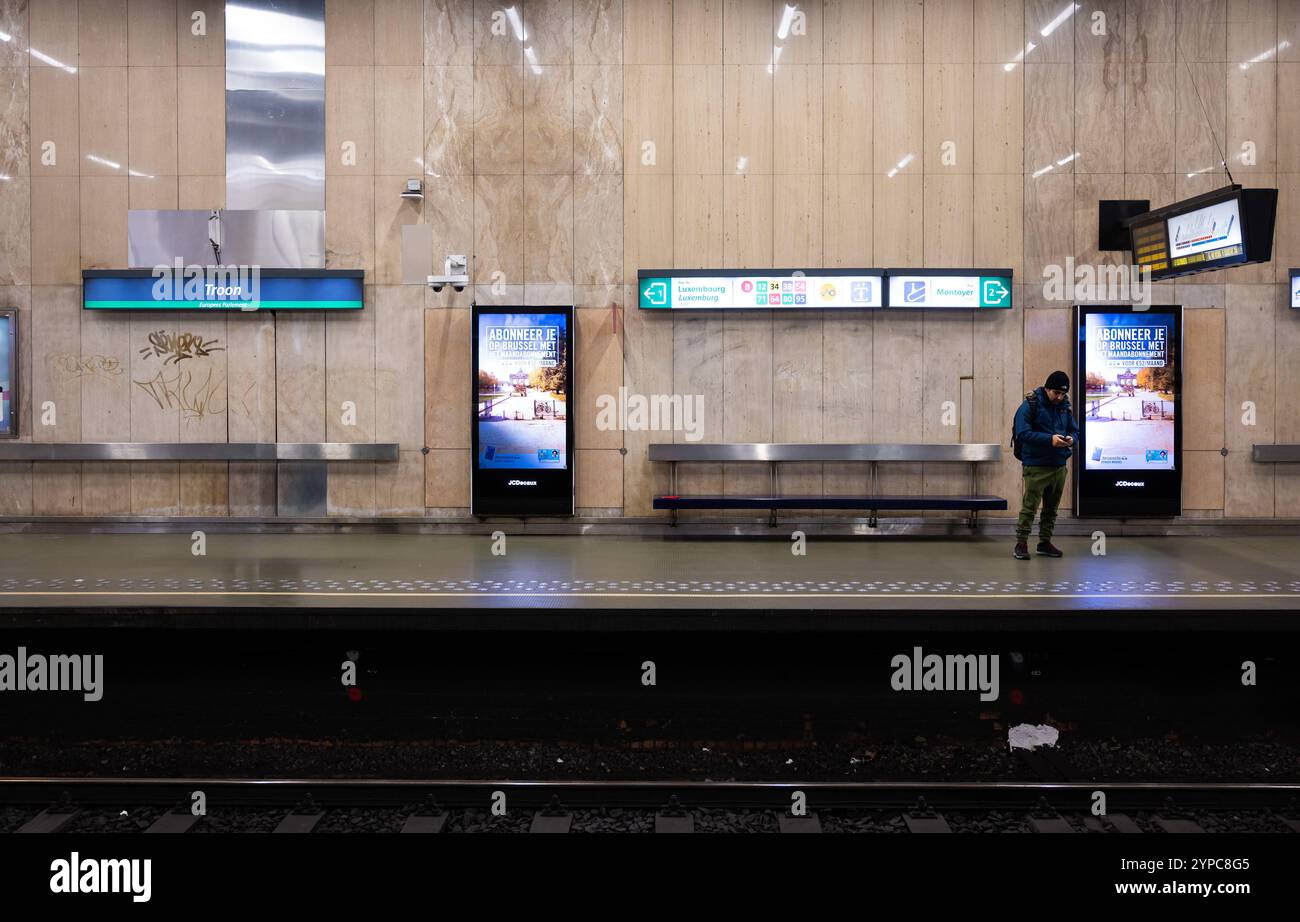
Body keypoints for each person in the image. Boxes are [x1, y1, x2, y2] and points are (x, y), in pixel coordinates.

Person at [1011, 371, 1080, 560]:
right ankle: (1021, 543)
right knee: (1029, 507)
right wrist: (1050, 440)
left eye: (1063, 394)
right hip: (1036, 465)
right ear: (1047, 388)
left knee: (1051, 509)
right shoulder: (1029, 406)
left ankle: (1044, 542)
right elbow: (1022, 433)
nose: (1059, 397)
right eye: (1056, 393)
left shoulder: (1064, 408)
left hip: (1059, 465)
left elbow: (1075, 431)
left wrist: (1071, 439)